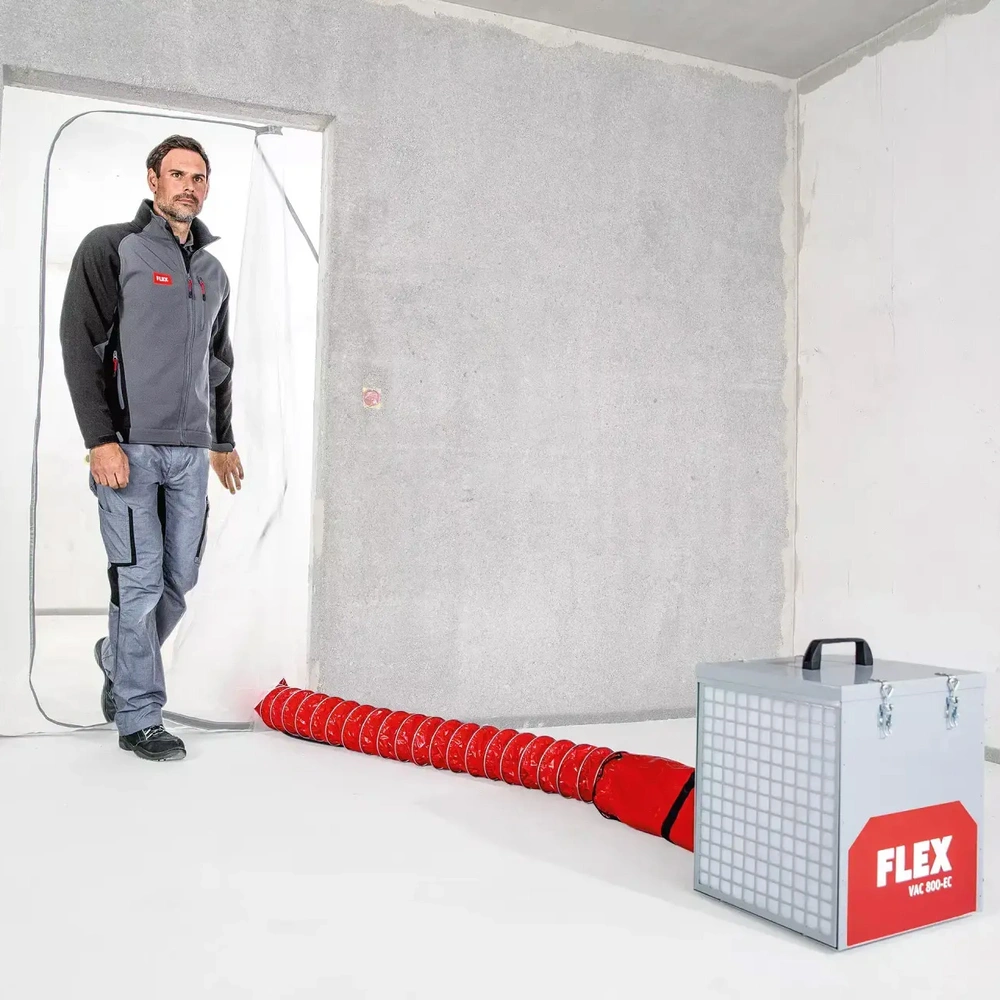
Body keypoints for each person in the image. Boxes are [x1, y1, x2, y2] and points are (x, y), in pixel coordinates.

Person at [59, 135, 244, 761]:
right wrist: (99, 440)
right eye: (177, 174)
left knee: (179, 579)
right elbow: (81, 346)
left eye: (199, 177)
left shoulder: (213, 272)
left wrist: (222, 440)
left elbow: (219, 362)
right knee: (137, 583)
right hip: (129, 449)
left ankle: (117, 658)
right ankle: (140, 716)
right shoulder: (113, 248)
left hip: (190, 453)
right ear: (152, 180)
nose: (189, 186)